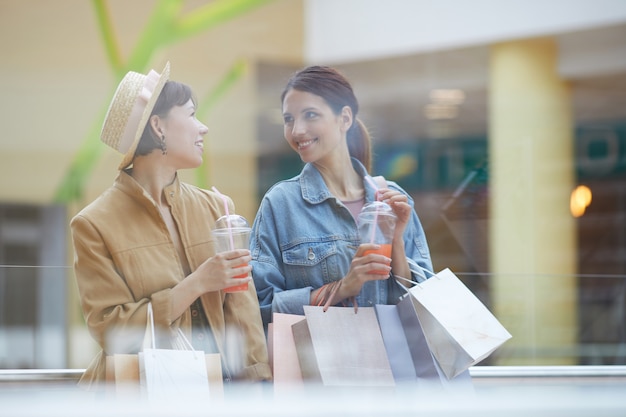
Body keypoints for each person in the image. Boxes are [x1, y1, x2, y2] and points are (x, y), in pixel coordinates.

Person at [70, 62, 271, 390]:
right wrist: (196, 284)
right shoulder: (93, 224)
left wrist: (257, 382)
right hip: (138, 393)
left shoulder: (217, 208)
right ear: (158, 126)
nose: (203, 128)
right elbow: (111, 331)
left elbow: (243, 310)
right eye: (191, 114)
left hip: (216, 391)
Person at [250, 65, 433, 329]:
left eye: (310, 115)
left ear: (344, 118)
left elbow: (423, 304)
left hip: (394, 366)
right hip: (320, 366)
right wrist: (343, 288)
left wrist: (397, 244)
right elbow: (259, 306)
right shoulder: (281, 203)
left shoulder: (392, 200)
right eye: (288, 119)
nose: (297, 130)